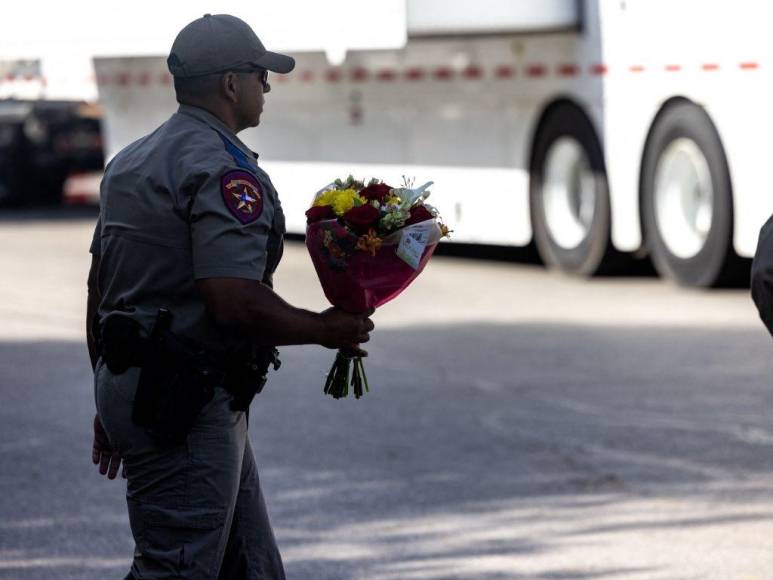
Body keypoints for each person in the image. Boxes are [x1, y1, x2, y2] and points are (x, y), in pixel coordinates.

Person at [86, 14, 374, 579]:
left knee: (252, 566)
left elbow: (101, 288)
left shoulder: (132, 161)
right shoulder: (222, 170)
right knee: (177, 568)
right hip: (184, 402)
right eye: (260, 75)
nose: (266, 87)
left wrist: (107, 392)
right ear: (230, 85)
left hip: (146, 386)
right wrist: (324, 328)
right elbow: (232, 299)